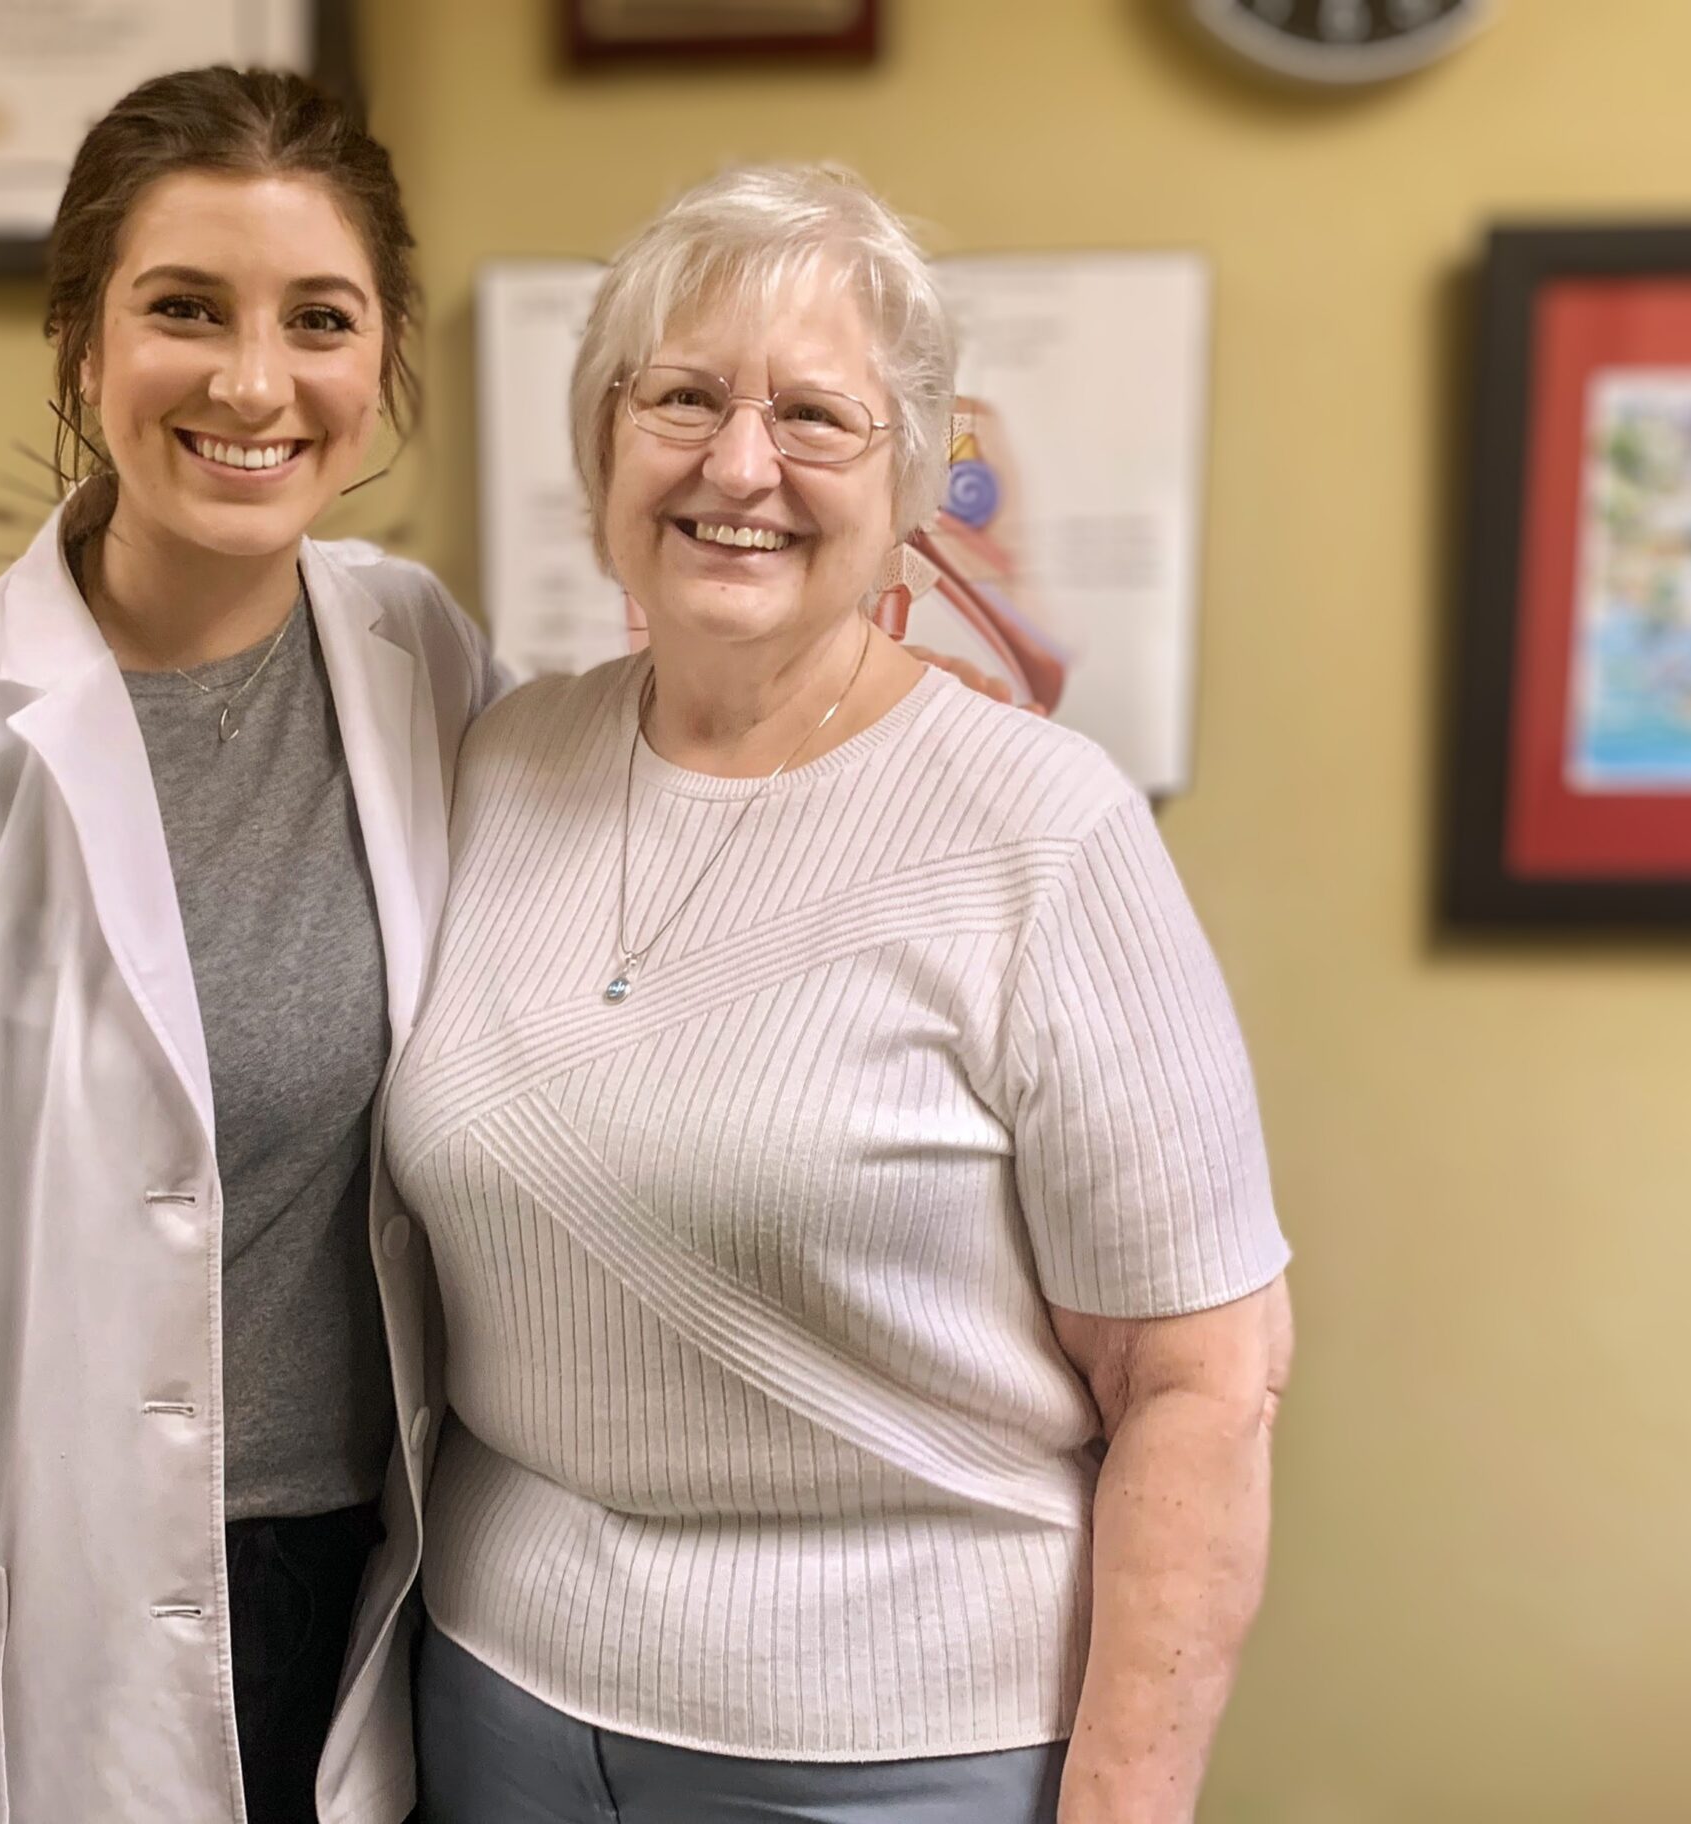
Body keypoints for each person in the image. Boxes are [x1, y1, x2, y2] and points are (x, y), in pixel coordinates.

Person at [392, 164, 1296, 1824]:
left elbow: (1203, 1381)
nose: (740, 466)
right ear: (603, 447)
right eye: (682, 398)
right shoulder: (498, 760)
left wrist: (1124, 1805)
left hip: (897, 1756)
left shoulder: (1043, 827)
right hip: (494, 1697)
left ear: (918, 488)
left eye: (818, 418)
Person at [0, 67, 504, 1824]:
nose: (254, 382)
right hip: (76, 1629)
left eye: (319, 319)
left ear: (381, 363)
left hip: (395, 1604)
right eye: (186, 309)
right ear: (84, 345)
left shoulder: (425, 660)